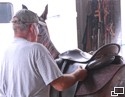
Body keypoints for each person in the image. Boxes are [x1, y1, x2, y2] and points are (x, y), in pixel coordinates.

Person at [0, 9, 87, 97]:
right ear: (32, 27)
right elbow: (60, 84)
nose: (38, 33)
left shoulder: (7, 51)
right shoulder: (37, 49)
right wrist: (78, 74)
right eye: (37, 27)